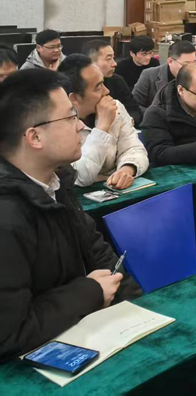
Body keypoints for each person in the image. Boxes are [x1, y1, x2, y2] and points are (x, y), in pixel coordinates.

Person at [0, 70, 141, 361]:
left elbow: (102, 258)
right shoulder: (7, 216)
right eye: (70, 117)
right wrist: (89, 292)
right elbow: (8, 335)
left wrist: (140, 312)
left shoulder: (57, 182)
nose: (80, 126)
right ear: (34, 136)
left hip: (83, 333)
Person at [59, 54, 148, 189]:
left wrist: (127, 169)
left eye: (103, 83)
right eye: (98, 87)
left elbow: (134, 148)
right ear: (75, 98)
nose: (107, 91)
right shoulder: (57, 124)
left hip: (115, 188)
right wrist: (102, 127)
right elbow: (80, 176)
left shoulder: (115, 107)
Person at [81, 39, 143, 126]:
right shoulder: (79, 85)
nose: (114, 64)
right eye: (108, 59)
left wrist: (128, 122)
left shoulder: (117, 81)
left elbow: (133, 109)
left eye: (113, 58)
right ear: (90, 62)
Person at [133, 40, 196, 110]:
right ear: (170, 61)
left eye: (194, 63)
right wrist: (153, 115)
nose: (191, 68)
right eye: (185, 64)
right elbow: (134, 105)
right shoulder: (149, 75)